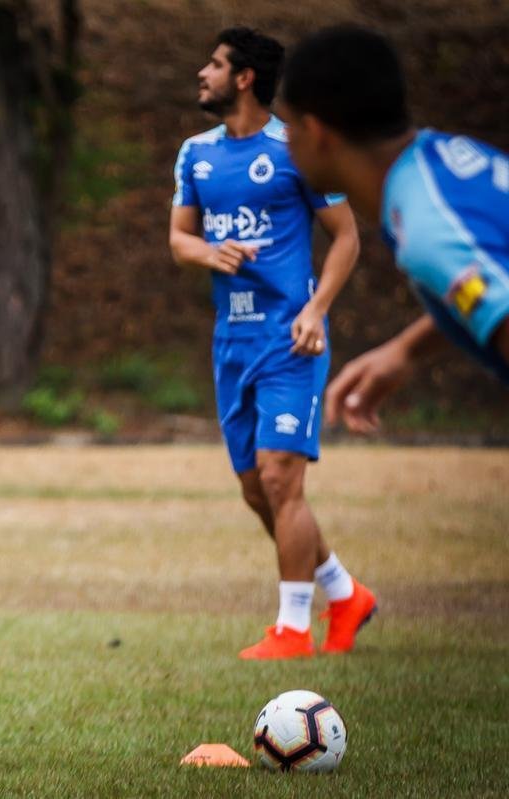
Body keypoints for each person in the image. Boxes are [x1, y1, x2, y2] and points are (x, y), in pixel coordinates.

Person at [168, 27, 376, 659]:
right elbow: (180, 240)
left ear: (245, 78)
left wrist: (317, 309)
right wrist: (210, 249)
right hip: (231, 341)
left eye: (215, 63)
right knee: (257, 489)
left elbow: (347, 237)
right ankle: (344, 593)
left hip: (292, 338)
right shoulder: (195, 153)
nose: (202, 73)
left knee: (283, 480)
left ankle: (292, 629)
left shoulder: (296, 149)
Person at [278, 25, 509, 433]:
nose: (285, 144)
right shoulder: (442, 160)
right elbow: (492, 282)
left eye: (288, 128)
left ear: (317, 134)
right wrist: (407, 350)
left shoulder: (429, 225)